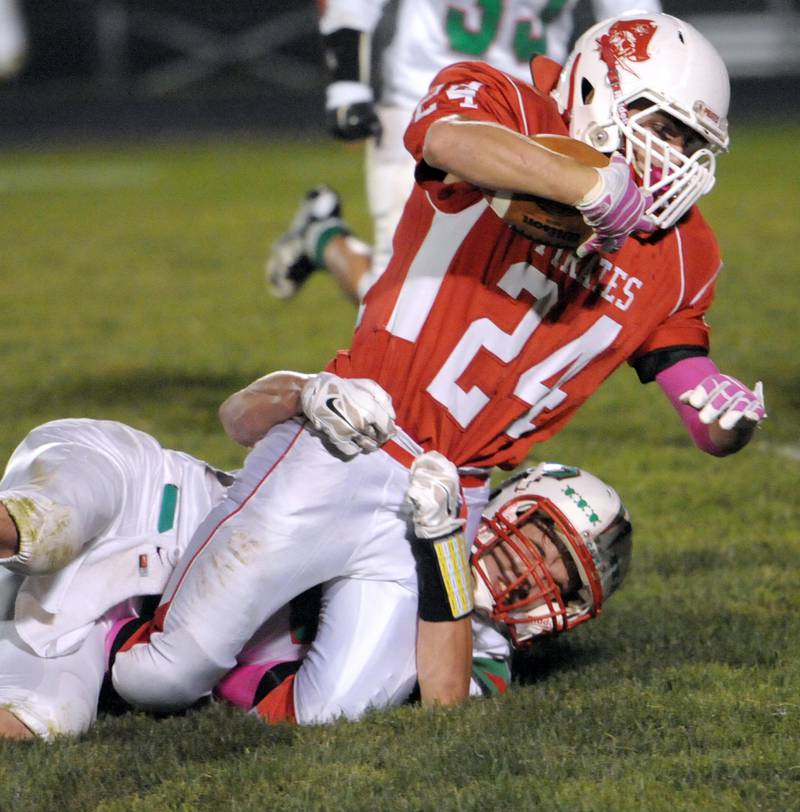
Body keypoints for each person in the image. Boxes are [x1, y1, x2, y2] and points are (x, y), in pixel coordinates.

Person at [113, 12, 767, 714]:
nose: (672, 154)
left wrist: (727, 418)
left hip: (458, 492)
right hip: (352, 437)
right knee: (158, 677)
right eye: (661, 125)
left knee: (331, 715)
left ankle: (264, 637)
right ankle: (124, 559)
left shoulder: (684, 253)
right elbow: (446, 138)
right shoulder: (505, 102)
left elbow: (698, 403)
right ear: (597, 91)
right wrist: (590, 188)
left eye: (691, 140)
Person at [0, 386, 631, 737]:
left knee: (44, 721)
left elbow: (444, 709)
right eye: (544, 538)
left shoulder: (480, 657)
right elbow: (236, 416)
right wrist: (306, 391)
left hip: (115, 627)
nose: (534, 568)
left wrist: (443, 551)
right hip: (147, 495)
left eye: (560, 573)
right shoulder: (425, 473)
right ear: (510, 500)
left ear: (570, 611)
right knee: (44, 529)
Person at [266, 0, 662, 302]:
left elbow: (640, 24)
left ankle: (321, 236)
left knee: (515, 284)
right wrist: (346, 85)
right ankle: (324, 239)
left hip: (530, 112)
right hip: (423, 103)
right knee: (396, 292)